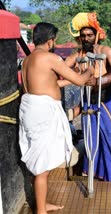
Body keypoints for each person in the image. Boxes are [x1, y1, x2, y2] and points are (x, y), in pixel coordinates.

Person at [19, 22, 93, 214]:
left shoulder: (28, 60)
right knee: (42, 167)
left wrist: (73, 76)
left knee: (41, 163)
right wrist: (89, 71)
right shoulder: (50, 58)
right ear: (51, 41)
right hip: (43, 113)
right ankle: (41, 211)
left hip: (32, 110)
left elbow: (50, 83)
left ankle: (42, 205)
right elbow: (79, 81)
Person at [65, 12, 111, 181]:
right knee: (91, 140)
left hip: (107, 101)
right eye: (83, 36)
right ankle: (95, 177)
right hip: (88, 102)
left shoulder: (106, 51)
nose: (86, 38)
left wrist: (98, 81)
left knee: (110, 141)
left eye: (90, 35)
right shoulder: (77, 56)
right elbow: (61, 67)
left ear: (97, 35)